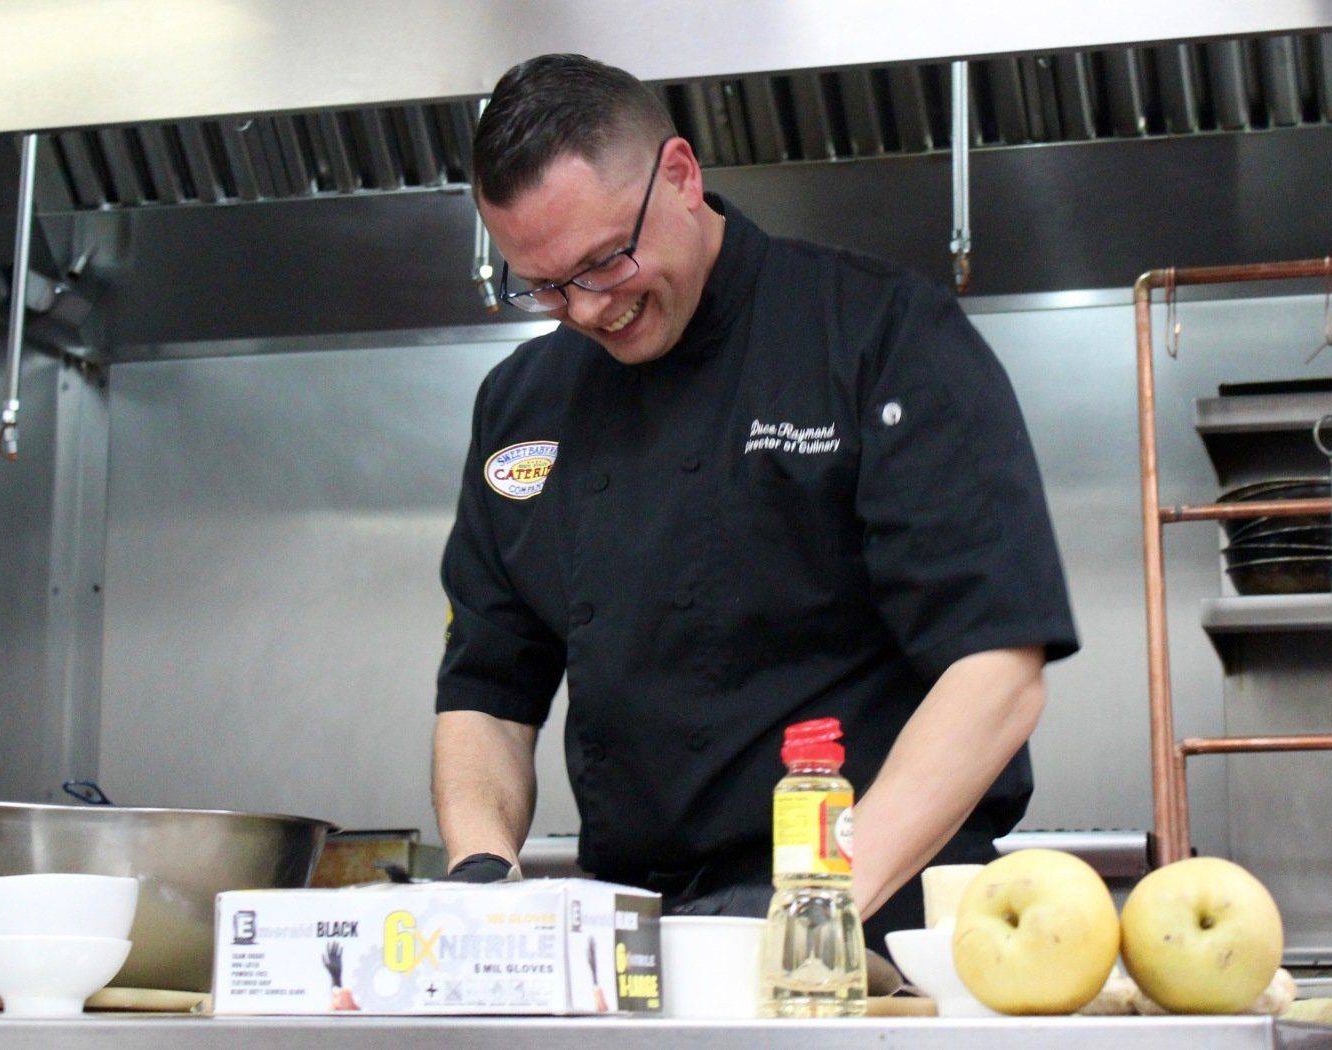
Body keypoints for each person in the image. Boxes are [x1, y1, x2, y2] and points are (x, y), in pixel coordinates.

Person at [433, 53, 1078, 943]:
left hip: (873, 930)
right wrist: (480, 877)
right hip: (642, 940)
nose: (583, 311)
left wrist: (817, 919)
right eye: (541, 285)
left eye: (604, 262)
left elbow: (998, 672)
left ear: (682, 176)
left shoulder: (878, 335)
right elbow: (488, 691)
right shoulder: (522, 403)